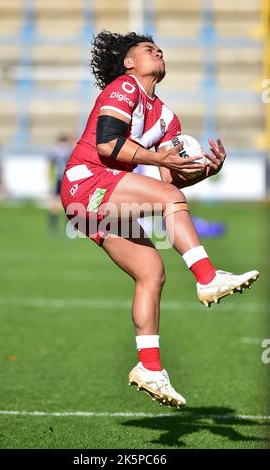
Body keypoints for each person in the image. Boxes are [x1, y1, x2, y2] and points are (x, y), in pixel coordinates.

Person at [60, 31, 259, 408]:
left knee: (152, 272)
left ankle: (149, 368)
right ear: (129, 62)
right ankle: (207, 278)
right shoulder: (124, 87)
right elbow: (107, 144)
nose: (158, 51)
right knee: (170, 202)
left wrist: (204, 172)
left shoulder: (167, 117)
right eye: (147, 49)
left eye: (160, 48)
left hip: (102, 197)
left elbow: (172, 179)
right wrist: (160, 162)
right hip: (86, 185)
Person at [48, 134, 75, 235]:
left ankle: (53, 229)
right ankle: (68, 230)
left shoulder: (54, 150)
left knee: (53, 204)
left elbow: (50, 166)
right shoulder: (69, 149)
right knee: (67, 205)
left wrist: (50, 180)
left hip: (57, 179)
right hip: (67, 179)